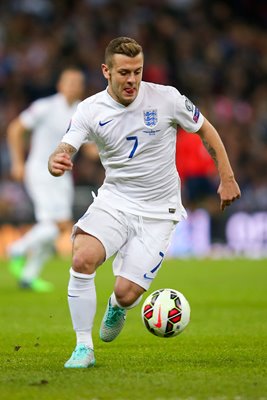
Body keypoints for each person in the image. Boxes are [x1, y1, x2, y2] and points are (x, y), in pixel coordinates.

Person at [48, 37, 241, 368]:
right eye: (124, 72)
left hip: (159, 212)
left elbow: (207, 130)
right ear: (106, 71)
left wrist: (226, 177)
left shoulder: (166, 98)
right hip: (115, 201)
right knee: (83, 258)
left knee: (126, 293)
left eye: (137, 71)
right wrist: (58, 159)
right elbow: (66, 146)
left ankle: (117, 306)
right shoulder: (91, 109)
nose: (132, 80)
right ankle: (83, 347)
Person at [7, 68, 86, 292]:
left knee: (55, 228)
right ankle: (16, 249)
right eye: (69, 81)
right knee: (56, 225)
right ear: (60, 85)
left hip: (63, 177)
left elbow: (90, 146)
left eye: (78, 82)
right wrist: (18, 162)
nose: (73, 85)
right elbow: (15, 129)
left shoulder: (83, 110)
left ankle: (28, 277)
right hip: (40, 171)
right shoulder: (45, 107)